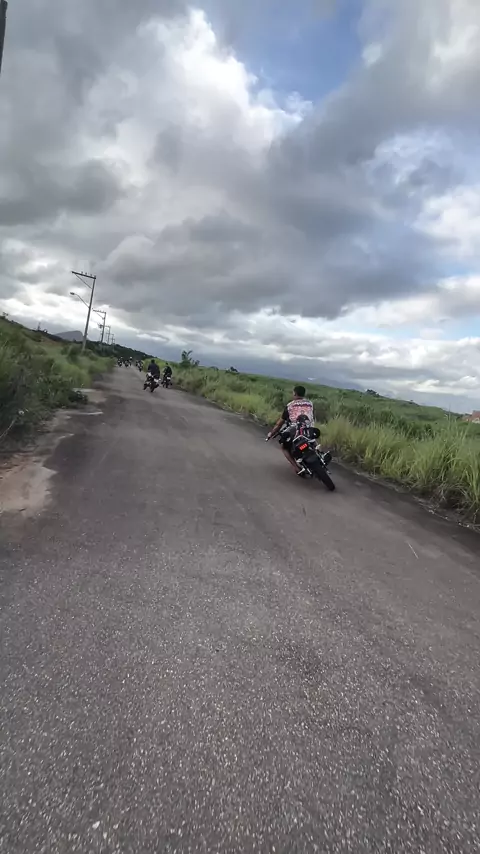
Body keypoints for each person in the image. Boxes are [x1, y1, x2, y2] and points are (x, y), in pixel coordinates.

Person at [267, 385, 315, 475]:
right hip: (310, 429)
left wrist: (271, 433)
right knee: (313, 441)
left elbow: (279, 423)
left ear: (295, 393)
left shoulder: (290, 406)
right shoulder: (310, 403)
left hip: (296, 431)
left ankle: (297, 468)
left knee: (284, 447)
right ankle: (319, 455)